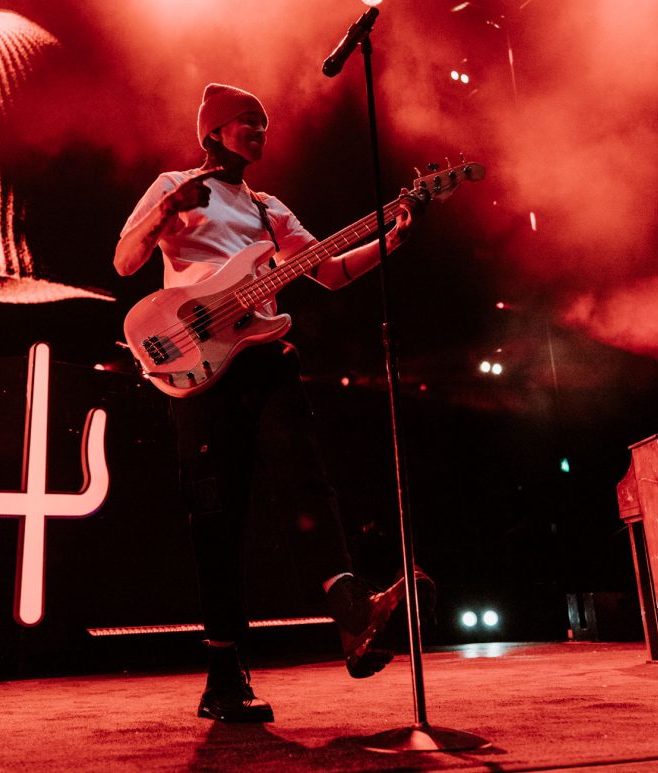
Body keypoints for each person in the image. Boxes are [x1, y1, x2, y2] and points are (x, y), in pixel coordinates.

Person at [113, 83, 432, 723]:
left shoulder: (268, 208)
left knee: (306, 479)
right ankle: (224, 677)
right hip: (198, 366)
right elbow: (125, 262)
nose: (260, 132)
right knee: (218, 518)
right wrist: (165, 211)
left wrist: (394, 237)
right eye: (247, 122)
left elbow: (328, 271)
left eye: (264, 124)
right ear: (213, 132)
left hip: (262, 355)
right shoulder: (174, 184)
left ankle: (351, 613)